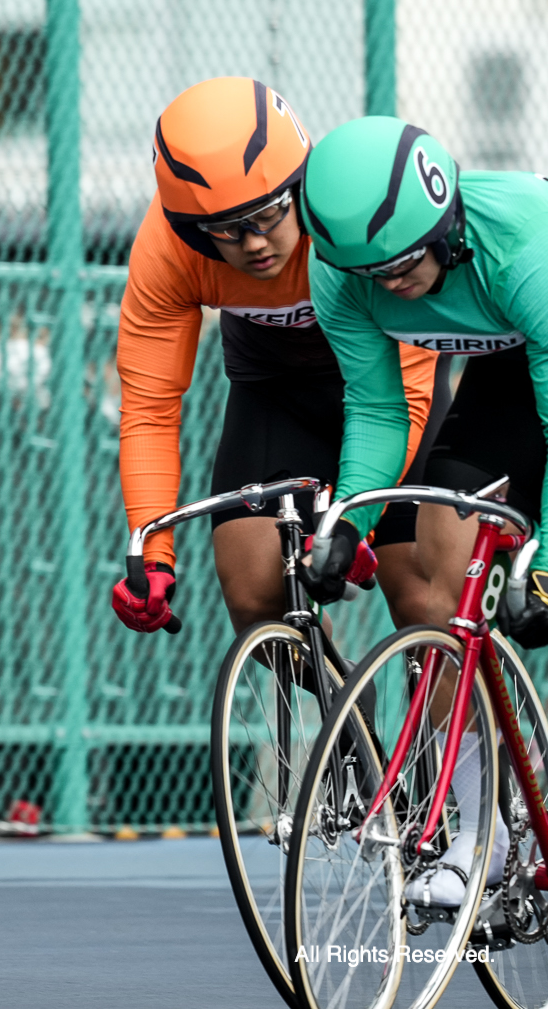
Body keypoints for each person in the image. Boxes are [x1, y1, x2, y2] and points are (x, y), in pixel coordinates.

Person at [302, 116, 548, 907]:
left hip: (533, 314)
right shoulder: (342, 271)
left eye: (404, 262)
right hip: (504, 363)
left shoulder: (518, 253)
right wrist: (348, 520)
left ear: (446, 225)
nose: (389, 282)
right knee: (448, 586)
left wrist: (542, 563)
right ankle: (480, 836)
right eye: (368, 271)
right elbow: (376, 408)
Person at [111, 78, 441, 638]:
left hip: (387, 394)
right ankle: (345, 719)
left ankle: (468, 729)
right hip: (274, 394)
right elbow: (149, 408)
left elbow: (402, 396)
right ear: (191, 232)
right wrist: (152, 550)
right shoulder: (167, 252)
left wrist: (353, 520)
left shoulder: (352, 208)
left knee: (422, 599)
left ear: (300, 184)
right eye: (227, 231)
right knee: (255, 599)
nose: (255, 242)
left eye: (268, 213)